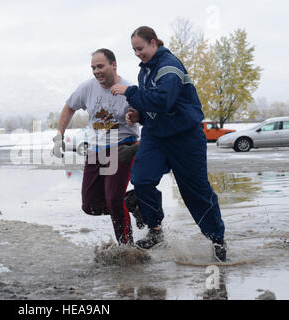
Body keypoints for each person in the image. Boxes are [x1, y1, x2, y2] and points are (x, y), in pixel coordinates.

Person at [111, 26, 227, 261]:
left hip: (185, 137)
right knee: (142, 179)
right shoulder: (145, 70)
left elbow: (164, 100)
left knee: (196, 192)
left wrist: (129, 91)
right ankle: (155, 231)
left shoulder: (168, 66)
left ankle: (217, 239)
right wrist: (139, 116)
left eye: (140, 48)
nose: (137, 53)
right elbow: (152, 106)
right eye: (134, 50)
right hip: (156, 136)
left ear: (153, 42)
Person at [52, 48, 141, 245]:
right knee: (90, 205)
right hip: (95, 150)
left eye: (100, 66)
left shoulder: (128, 89)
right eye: (93, 67)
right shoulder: (87, 88)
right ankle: (131, 202)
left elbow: (143, 115)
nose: (96, 71)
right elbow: (69, 107)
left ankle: (127, 247)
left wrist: (134, 116)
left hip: (121, 148)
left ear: (114, 65)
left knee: (113, 199)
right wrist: (60, 134)